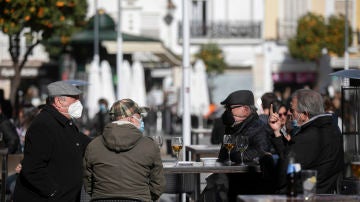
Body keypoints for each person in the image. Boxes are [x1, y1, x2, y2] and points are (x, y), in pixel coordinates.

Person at [14, 81, 91, 202]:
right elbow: (33, 169)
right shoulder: (43, 125)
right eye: (75, 98)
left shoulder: (65, 123)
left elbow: (84, 142)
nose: (78, 102)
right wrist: (53, 192)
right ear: (59, 101)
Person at [83, 98, 166, 202]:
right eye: (140, 117)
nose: (142, 120)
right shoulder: (149, 145)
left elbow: (88, 183)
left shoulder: (93, 145)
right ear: (131, 119)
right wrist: (144, 197)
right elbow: (158, 184)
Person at [268, 89, 344, 194]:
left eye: (292, 110)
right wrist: (277, 132)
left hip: (307, 194)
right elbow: (288, 157)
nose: (289, 113)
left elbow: (284, 173)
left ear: (304, 115)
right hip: (324, 193)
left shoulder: (308, 136)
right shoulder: (332, 128)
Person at [216, 90, 274, 200]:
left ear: (245, 109)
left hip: (248, 187)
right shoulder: (233, 128)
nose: (227, 112)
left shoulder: (258, 128)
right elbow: (222, 157)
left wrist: (235, 154)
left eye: (230, 108)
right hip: (231, 183)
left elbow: (262, 153)